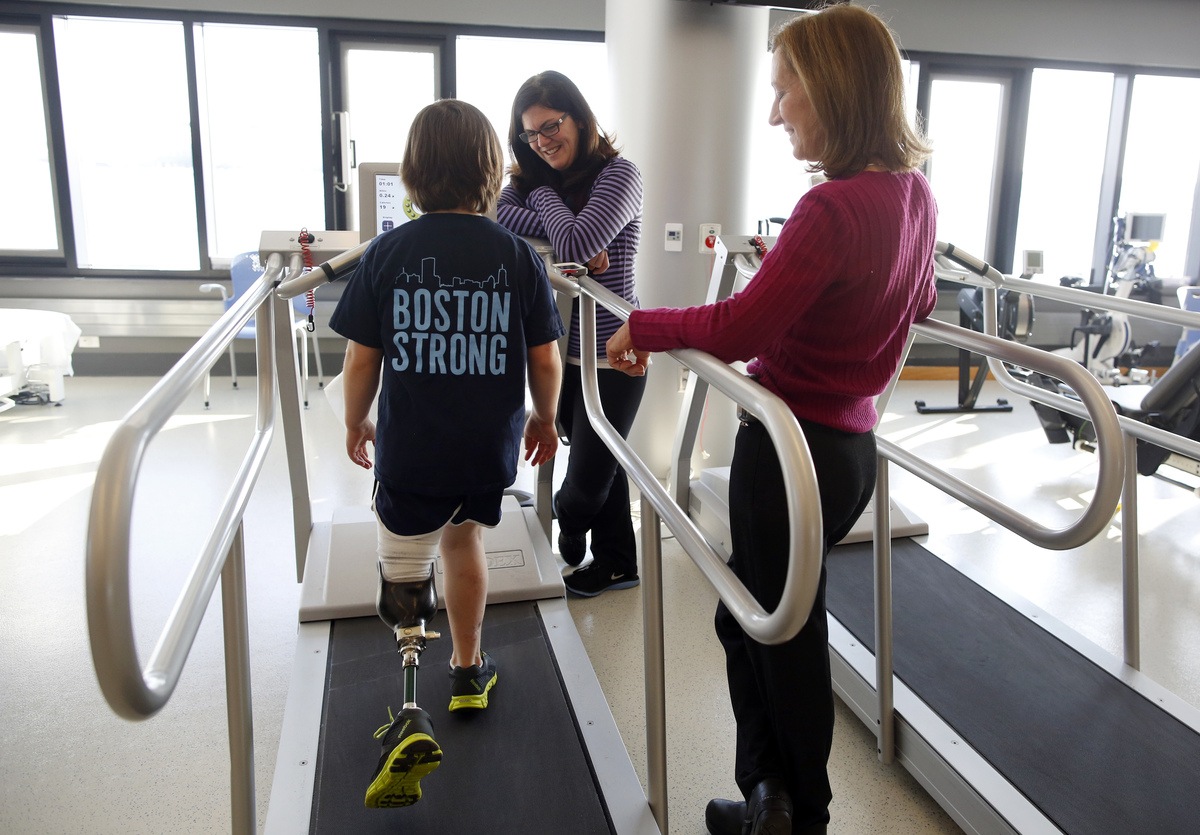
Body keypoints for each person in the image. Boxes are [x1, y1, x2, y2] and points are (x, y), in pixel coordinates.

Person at [606, 7, 937, 835]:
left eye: (786, 89)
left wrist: (643, 326)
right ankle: (768, 797)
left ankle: (799, 815)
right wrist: (807, 289)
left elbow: (739, 329)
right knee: (753, 615)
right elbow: (916, 298)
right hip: (848, 453)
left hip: (787, 455)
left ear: (830, 88)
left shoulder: (829, 210)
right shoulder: (914, 195)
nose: (775, 109)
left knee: (779, 633)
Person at [329, 99, 564, 809]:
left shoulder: (388, 252)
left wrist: (354, 422)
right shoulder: (517, 255)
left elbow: (360, 360)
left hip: (412, 453)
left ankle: (408, 708)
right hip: (484, 454)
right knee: (465, 547)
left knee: (405, 573)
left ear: (412, 174)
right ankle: (467, 670)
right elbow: (545, 361)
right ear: (492, 173)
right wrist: (546, 418)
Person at [496, 71, 646, 598]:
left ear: (579, 119)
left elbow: (578, 241)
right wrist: (558, 227)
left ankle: (568, 518)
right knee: (602, 465)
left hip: (613, 357)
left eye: (551, 126)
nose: (542, 142)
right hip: (558, 355)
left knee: (582, 486)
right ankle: (618, 564)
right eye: (530, 135)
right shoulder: (534, 182)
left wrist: (543, 203)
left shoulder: (620, 175)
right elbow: (495, 213)